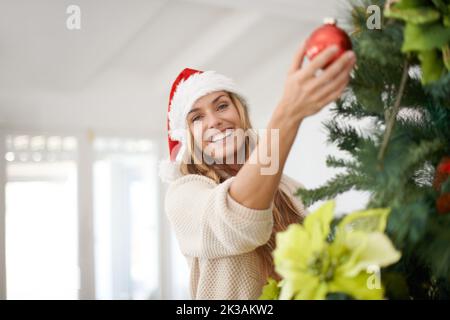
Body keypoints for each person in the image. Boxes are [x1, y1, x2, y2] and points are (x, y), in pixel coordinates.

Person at [159, 42, 356, 299]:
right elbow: (240, 222)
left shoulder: (290, 188)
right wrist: (289, 114)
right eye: (197, 118)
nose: (215, 121)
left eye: (221, 106)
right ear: (188, 137)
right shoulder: (184, 195)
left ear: (240, 113)